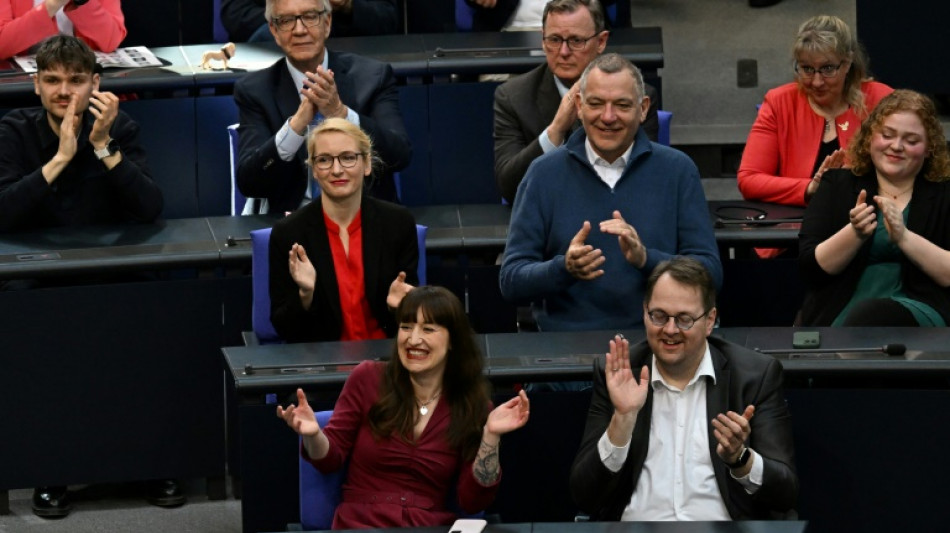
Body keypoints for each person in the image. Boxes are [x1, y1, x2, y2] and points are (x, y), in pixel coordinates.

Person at [0, 35, 170, 517]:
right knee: (30, 325)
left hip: (110, 269)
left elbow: (151, 208)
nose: (64, 91)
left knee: (161, 307)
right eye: (52, 80)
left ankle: (153, 463)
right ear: (35, 85)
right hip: (38, 275)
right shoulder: (14, 131)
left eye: (76, 80)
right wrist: (59, 158)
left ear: (96, 84)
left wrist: (101, 147)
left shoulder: (119, 128)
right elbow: (3, 211)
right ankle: (50, 470)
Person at [499, 52, 721, 332]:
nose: (608, 117)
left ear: (643, 109)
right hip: (568, 353)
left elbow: (711, 274)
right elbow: (511, 281)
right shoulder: (543, 173)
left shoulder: (678, 170)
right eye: (596, 104)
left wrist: (647, 260)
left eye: (622, 105)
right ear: (579, 106)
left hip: (656, 345)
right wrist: (563, 269)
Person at [277, 285, 531, 529]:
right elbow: (330, 460)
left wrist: (490, 437)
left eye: (428, 329)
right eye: (406, 327)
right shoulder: (367, 378)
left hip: (428, 527)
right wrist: (313, 436)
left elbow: (472, 501)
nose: (414, 339)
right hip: (361, 523)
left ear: (453, 341)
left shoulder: (472, 405)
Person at [570, 257, 798, 520]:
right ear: (645, 312)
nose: (669, 329)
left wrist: (740, 458)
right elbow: (585, 496)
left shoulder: (754, 375)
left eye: (684, 319)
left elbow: (785, 493)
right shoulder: (621, 373)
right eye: (659, 316)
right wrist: (622, 419)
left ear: (710, 320)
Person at [233, 0, 410, 212]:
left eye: (310, 17)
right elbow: (249, 182)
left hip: (365, 221)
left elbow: (399, 155)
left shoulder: (372, 77)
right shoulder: (255, 90)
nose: (299, 30)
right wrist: (296, 126)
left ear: (327, 22)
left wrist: (341, 114)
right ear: (274, 30)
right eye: (287, 20)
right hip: (292, 224)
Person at [798, 90, 950, 327]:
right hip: (841, 307)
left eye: (911, 141)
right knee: (860, 319)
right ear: (870, 136)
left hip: (923, 307)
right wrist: (855, 233)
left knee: (871, 316)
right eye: (887, 135)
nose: (896, 146)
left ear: (929, 147)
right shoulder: (836, 184)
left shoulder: (944, 193)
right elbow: (811, 270)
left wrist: (904, 237)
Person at [493, 0, 659, 204]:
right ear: (543, 40)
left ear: (601, 41)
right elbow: (509, 187)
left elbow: (647, 179)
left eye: (576, 41)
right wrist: (555, 132)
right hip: (549, 220)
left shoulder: (634, 97)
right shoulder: (513, 97)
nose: (563, 52)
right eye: (554, 40)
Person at [268, 117, 418, 343]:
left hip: (384, 360)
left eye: (348, 158)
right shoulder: (289, 233)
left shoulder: (397, 223)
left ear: (367, 164)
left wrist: (399, 307)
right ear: (314, 170)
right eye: (325, 160)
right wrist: (305, 295)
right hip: (322, 364)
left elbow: (414, 317)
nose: (337, 170)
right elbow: (285, 329)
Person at [738, 15, 892, 207]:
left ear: (847, 63)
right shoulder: (779, 102)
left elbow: (907, 170)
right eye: (807, 69)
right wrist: (810, 188)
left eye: (827, 68)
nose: (817, 82)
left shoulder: (882, 101)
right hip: (799, 225)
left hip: (869, 217)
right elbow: (749, 180)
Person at [220, 0, 398, 43]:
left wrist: (348, 5)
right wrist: (288, 15)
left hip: (353, 54)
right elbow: (236, 16)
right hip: (274, 57)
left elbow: (388, 19)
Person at [0, 0, 126, 59]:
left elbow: (111, 41)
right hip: (24, 86)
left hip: (83, 80)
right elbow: (2, 45)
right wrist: (52, 5)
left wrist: (83, 2)